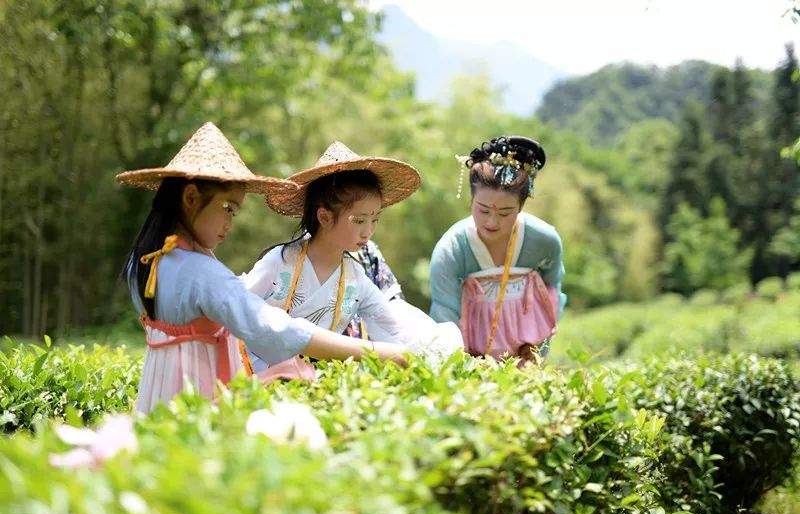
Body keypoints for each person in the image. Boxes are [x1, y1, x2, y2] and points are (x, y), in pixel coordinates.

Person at [118, 124, 407, 413]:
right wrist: (375, 352)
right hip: (196, 396)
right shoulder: (205, 274)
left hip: (157, 388)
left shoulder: (145, 260)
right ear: (191, 198)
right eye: (228, 208)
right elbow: (273, 329)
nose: (230, 223)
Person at [241, 141, 463, 378]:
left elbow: (392, 322)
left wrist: (434, 346)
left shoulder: (355, 278)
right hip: (257, 374)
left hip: (311, 380)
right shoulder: (281, 261)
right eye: (359, 220)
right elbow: (237, 307)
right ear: (325, 217)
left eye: (375, 219)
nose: (368, 231)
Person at [429, 136, 566, 366]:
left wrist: (537, 351)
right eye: (483, 210)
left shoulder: (545, 240)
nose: (492, 222)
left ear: (521, 207)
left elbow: (552, 291)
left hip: (528, 353)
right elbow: (445, 315)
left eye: (505, 213)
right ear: (472, 200)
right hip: (471, 357)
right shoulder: (451, 249)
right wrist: (463, 365)